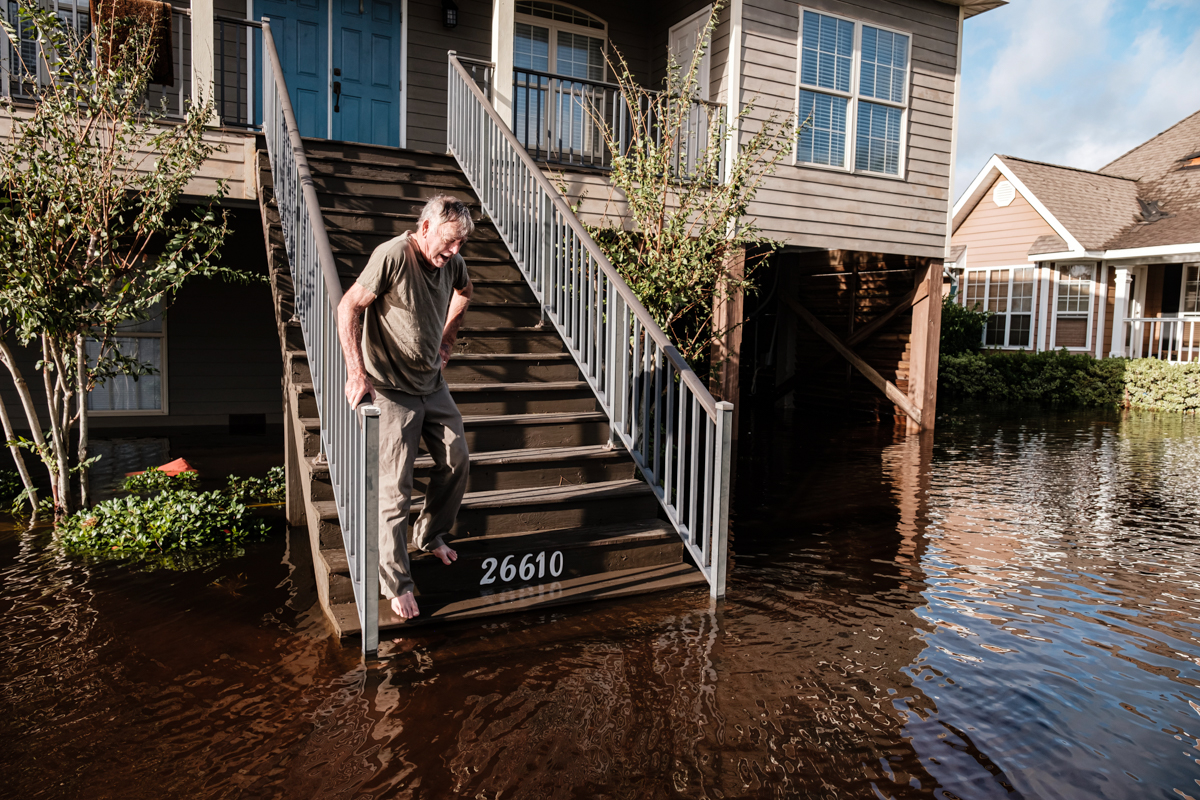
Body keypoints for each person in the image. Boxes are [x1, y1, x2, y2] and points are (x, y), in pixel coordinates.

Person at [337, 194, 474, 622]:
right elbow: (348, 306)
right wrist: (356, 373)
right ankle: (396, 583)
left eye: (461, 244)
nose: (454, 252)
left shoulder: (451, 262)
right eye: (449, 241)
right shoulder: (393, 255)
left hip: (431, 384)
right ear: (427, 227)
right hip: (391, 387)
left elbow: (465, 292)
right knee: (394, 490)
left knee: (457, 459)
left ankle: (430, 533)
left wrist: (447, 340)